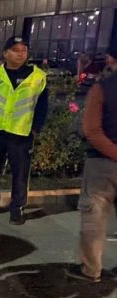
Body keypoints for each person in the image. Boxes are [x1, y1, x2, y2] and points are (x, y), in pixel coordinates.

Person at [0, 36, 48, 225]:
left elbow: (42, 106)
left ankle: (17, 209)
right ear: (5, 53)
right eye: (15, 50)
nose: (20, 53)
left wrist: (35, 129)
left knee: (20, 173)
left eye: (23, 49)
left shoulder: (37, 76)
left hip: (21, 132)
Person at [66, 41, 117, 283]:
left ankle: (91, 269)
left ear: (110, 59)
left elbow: (92, 130)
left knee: (94, 216)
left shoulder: (103, 88)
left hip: (104, 164)